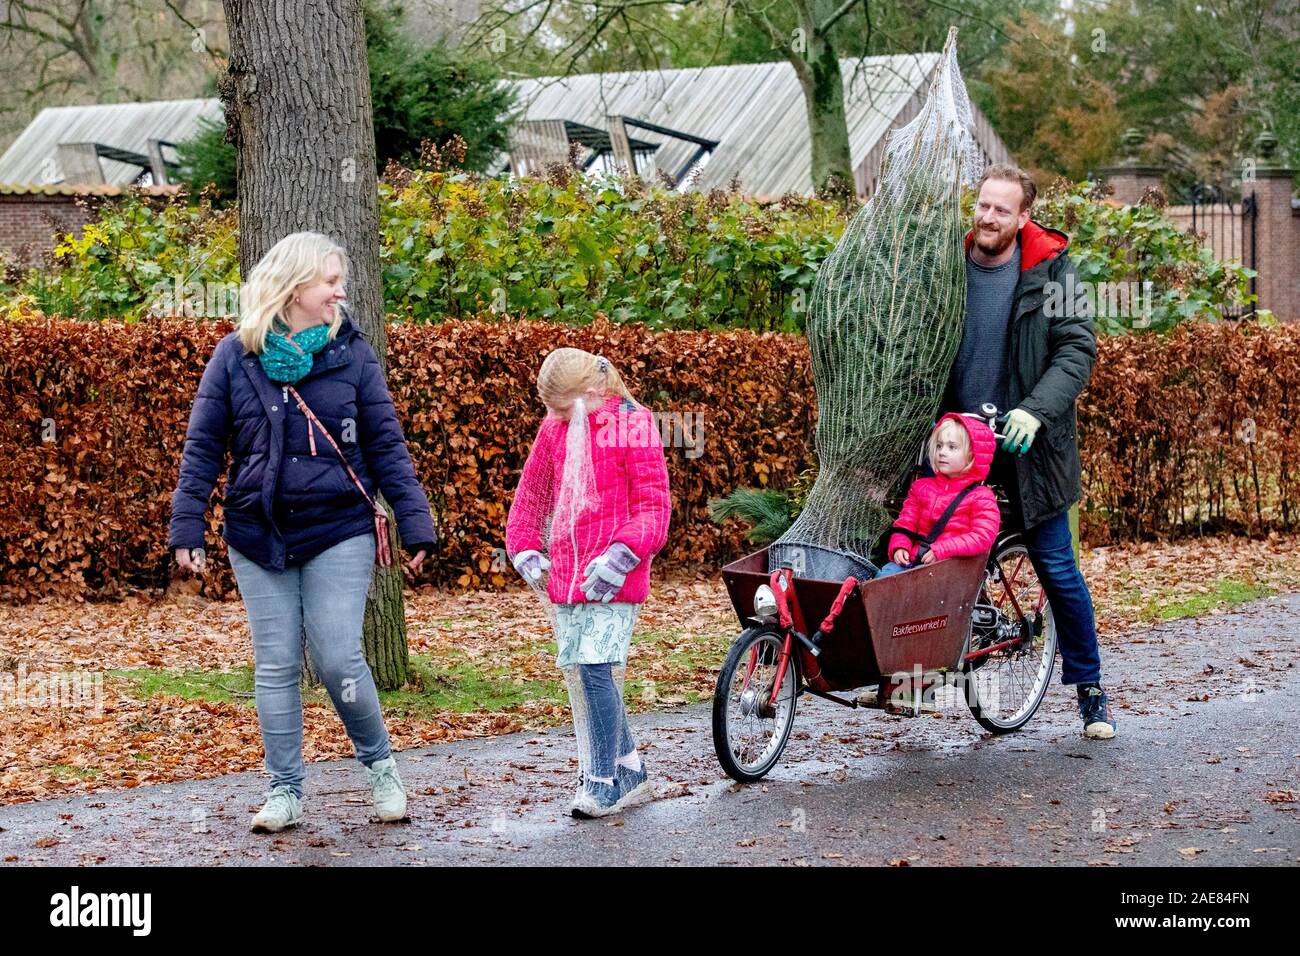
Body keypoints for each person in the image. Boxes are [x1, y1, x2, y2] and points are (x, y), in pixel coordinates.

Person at [168, 231, 438, 831]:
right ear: (294, 287)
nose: (341, 292)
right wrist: (188, 523)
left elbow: (386, 445)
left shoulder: (353, 354)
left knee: (339, 653)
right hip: (257, 534)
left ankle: (380, 766)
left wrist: (414, 521)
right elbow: (204, 448)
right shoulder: (235, 356)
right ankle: (285, 789)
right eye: (330, 282)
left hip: (339, 527)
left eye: (340, 282)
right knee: (276, 661)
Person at [941, 162, 1115, 739]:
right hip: (959, 448)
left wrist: (1034, 411)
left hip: (1030, 450)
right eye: (983, 205)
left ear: (1023, 218)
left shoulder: (1054, 272)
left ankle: (1090, 690)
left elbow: (1075, 352)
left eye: (1001, 209)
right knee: (926, 555)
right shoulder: (947, 266)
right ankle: (914, 682)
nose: (987, 217)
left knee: (1057, 567)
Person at [505, 347, 672, 819]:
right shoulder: (554, 428)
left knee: (597, 668)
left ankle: (601, 781)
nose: (552, 416)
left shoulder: (633, 424)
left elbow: (654, 509)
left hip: (615, 576)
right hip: (566, 576)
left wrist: (620, 558)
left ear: (593, 393)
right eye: (549, 408)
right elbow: (531, 496)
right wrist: (524, 550)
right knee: (583, 671)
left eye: (560, 406)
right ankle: (631, 768)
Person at [876, 414, 1000, 577]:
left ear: (972, 455)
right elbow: (906, 523)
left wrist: (943, 549)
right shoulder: (921, 487)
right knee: (882, 580)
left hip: (950, 568)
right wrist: (900, 545)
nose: (942, 452)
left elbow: (982, 536)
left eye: (952, 447)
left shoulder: (981, 497)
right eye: (939, 446)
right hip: (914, 559)